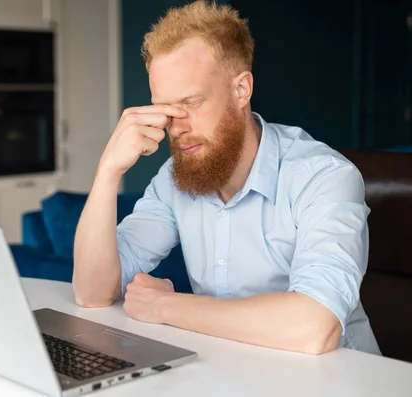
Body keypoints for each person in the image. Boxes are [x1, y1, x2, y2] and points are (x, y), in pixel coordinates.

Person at [72, 0, 380, 356]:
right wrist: (108, 171)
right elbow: (92, 293)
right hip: (233, 373)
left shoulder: (324, 177)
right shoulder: (174, 180)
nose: (177, 126)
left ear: (241, 90)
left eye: (191, 102)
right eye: (165, 108)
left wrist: (165, 307)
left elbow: (315, 328)